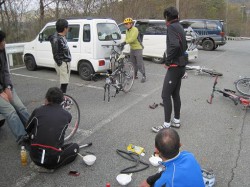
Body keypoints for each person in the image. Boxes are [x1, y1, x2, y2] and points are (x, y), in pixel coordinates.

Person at [26, 87, 79, 172]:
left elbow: (27, 129)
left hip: (34, 156)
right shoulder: (67, 115)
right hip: (52, 160)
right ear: (62, 101)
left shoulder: (38, 110)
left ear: (46, 99)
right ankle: (52, 166)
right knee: (75, 147)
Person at [152, 7, 187, 132]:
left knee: (165, 95)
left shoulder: (172, 27)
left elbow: (175, 45)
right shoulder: (179, 26)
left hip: (174, 67)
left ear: (167, 16)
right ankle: (176, 121)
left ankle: (166, 125)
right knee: (175, 94)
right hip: (181, 65)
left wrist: (167, 61)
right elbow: (184, 45)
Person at [139, 128, 205, 187]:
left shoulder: (165, 181)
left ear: (156, 150)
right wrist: (149, 180)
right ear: (180, 145)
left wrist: (149, 181)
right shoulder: (189, 155)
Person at [0, 30, 30, 145]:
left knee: (20, 108)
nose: (4, 43)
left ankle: (33, 129)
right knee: (11, 112)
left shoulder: (2, 50)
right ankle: (22, 138)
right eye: (2, 41)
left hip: (5, 87)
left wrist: (7, 87)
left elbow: (5, 71)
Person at [49, 19, 71, 94]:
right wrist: (60, 63)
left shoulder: (62, 37)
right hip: (63, 63)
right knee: (64, 83)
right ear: (65, 28)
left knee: (65, 82)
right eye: (67, 27)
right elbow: (55, 53)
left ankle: (62, 97)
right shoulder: (56, 39)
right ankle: (61, 99)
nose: (68, 29)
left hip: (66, 63)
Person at [121, 17, 146, 83]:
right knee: (132, 63)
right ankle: (135, 75)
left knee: (139, 63)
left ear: (131, 24)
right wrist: (122, 43)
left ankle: (144, 75)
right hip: (132, 48)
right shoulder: (127, 31)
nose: (125, 25)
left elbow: (133, 39)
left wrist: (125, 42)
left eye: (127, 24)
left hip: (138, 48)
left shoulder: (135, 29)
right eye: (125, 24)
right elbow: (127, 39)